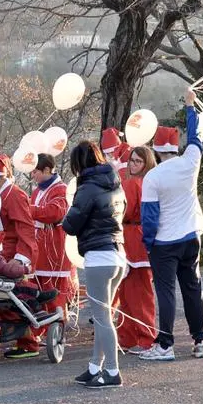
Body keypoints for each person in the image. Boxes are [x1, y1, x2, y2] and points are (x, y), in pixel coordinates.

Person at [139, 89, 203, 362]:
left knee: (166, 292)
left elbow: (149, 217)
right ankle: (199, 340)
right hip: (191, 235)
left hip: (164, 242)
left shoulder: (153, 177)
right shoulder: (190, 161)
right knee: (193, 287)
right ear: (175, 147)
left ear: (155, 149)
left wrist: (148, 244)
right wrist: (190, 106)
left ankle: (165, 344)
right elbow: (195, 137)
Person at [62, 140, 126, 388]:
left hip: (99, 258)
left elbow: (71, 224)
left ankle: (112, 371)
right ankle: (94, 366)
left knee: (101, 319)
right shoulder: (115, 184)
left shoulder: (87, 187)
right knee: (104, 316)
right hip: (118, 254)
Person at [0, 153, 40, 359]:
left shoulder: (14, 195)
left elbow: (26, 229)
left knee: (15, 300)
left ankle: (28, 343)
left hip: (11, 255)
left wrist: (22, 258)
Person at [114, 145, 158, 354]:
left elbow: (123, 211)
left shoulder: (135, 184)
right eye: (131, 160)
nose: (132, 164)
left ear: (146, 163)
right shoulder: (139, 183)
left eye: (137, 161)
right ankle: (129, 336)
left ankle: (144, 338)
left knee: (138, 295)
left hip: (135, 240)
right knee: (127, 294)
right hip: (131, 238)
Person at [30, 153, 72, 317]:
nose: (33, 176)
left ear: (47, 169)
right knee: (38, 293)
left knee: (53, 294)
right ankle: (41, 331)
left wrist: (28, 207)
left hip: (54, 251)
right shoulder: (37, 191)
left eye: (36, 172)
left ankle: (56, 332)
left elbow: (54, 213)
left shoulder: (61, 189)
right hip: (39, 252)